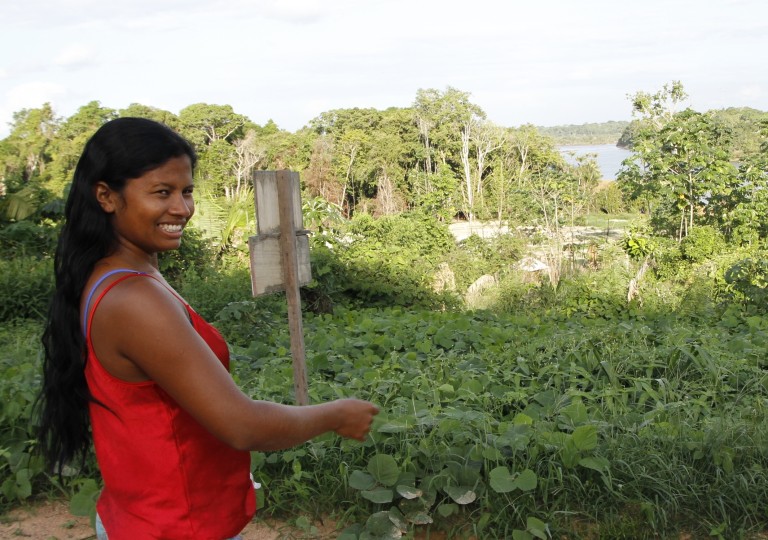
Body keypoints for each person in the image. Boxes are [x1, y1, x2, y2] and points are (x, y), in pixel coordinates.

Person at [37, 117, 379, 540]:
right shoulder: (135, 300)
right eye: (162, 192)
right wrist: (336, 414)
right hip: (177, 526)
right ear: (106, 196)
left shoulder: (111, 275)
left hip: (143, 516)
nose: (182, 208)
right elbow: (242, 425)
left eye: (186, 191)